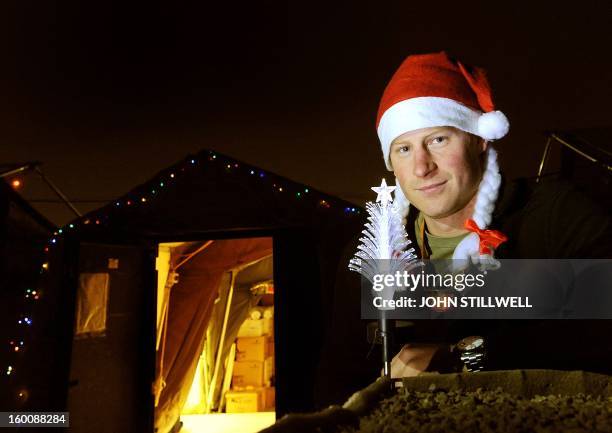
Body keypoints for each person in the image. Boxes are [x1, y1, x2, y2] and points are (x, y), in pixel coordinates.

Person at [315, 51, 612, 406]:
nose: (421, 167)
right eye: (404, 148)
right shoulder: (371, 254)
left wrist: (467, 356)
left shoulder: (554, 217)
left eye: (438, 140)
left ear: (480, 138)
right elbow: (336, 383)